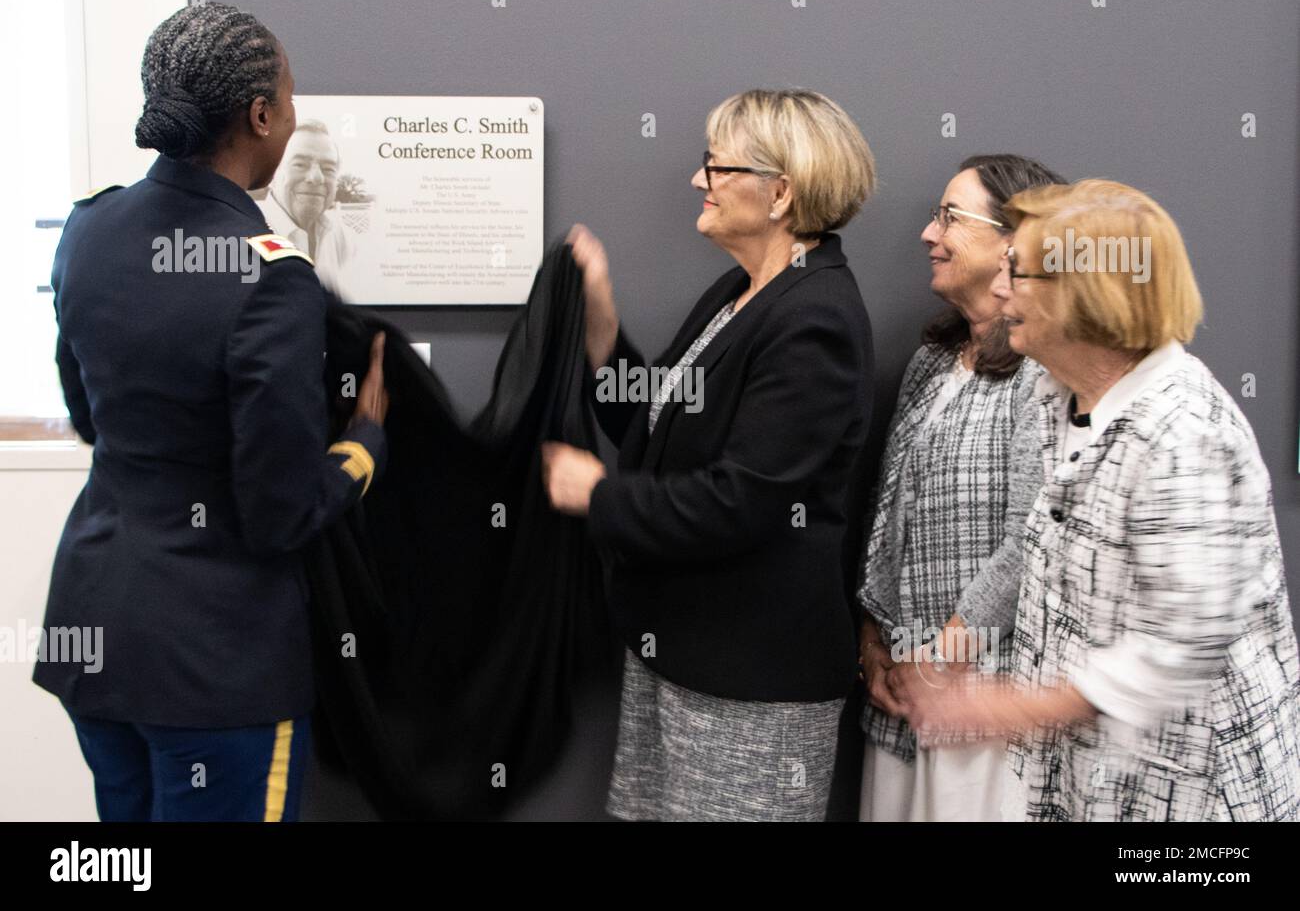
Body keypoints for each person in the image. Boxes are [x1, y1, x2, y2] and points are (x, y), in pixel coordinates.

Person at [32, 3, 389, 822]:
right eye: (292, 99)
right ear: (261, 115)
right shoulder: (272, 276)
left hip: (93, 635)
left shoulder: (89, 230)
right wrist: (363, 446)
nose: (294, 116)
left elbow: (89, 417)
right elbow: (279, 514)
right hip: (211, 665)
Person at [906, 179, 1300, 821]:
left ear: (1087, 293)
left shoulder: (1182, 432)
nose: (1000, 289)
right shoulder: (1053, 393)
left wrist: (1018, 705)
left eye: (1018, 271)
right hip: (1085, 783)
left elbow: (1184, 640)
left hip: (1192, 805)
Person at [541, 88, 876, 820]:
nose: (700, 181)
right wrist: (602, 332)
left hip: (752, 684)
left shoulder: (814, 318)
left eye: (716, 167)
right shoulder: (742, 291)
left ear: (780, 193)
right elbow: (659, 430)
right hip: (681, 659)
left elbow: (741, 500)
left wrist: (595, 493)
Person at [856, 155, 1065, 822]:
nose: (928, 233)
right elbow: (885, 514)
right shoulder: (929, 364)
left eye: (949, 216)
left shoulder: (1045, 372)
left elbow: (1030, 543)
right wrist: (872, 640)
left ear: (1014, 240)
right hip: (897, 702)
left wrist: (941, 659)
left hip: (981, 705)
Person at [262, 119, 355, 294]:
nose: (316, 177)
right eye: (300, 165)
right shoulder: (249, 233)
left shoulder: (339, 235)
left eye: (328, 169)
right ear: (273, 171)